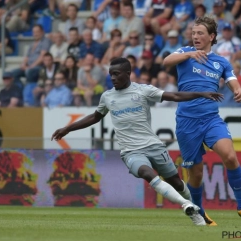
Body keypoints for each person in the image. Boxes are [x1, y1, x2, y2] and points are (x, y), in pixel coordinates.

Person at [52, 57, 224, 226]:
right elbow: (95, 117)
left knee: (177, 182)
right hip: (131, 151)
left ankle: (198, 211)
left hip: (154, 146)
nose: (112, 78)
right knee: (147, 173)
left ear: (128, 73)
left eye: (116, 74)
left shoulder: (143, 90)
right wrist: (68, 128)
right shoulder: (107, 96)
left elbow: (174, 95)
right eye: (110, 74)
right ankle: (186, 205)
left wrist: (201, 94)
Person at [163, 16, 241, 225]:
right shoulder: (184, 53)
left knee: (230, 156)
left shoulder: (221, 61)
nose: (195, 36)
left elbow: (232, 78)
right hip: (187, 122)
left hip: (211, 119)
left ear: (211, 37)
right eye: (193, 33)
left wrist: (238, 89)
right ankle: (200, 212)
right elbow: (166, 61)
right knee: (195, 174)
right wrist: (189, 53)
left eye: (200, 33)